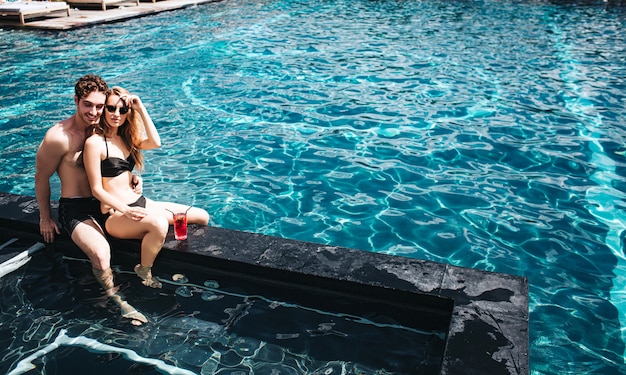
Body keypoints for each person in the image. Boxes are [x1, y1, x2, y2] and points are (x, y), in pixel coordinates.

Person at [35, 74, 147, 325]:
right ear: (76, 100)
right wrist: (45, 216)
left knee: (156, 225)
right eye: (88, 104)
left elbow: (116, 160)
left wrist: (130, 176)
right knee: (100, 253)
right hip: (76, 208)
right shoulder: (59, 137)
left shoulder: (103, 129)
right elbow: (41, 177)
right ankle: (120, 304)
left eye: (99, 105)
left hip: (106, 204)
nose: (94, 111)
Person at [83, 86, 209, 289]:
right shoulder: (95, 143)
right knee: (159, 224)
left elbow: (156, 142)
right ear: (104, 109)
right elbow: (97, 189)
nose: (116, 114)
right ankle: (143, 268)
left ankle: (179, 259)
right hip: (116, 214)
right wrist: (127, 210)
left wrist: (140, 108)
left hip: (140, 203)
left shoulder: (126, 138)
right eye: (111, 108)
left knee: (201, 216)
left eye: (123, 110)